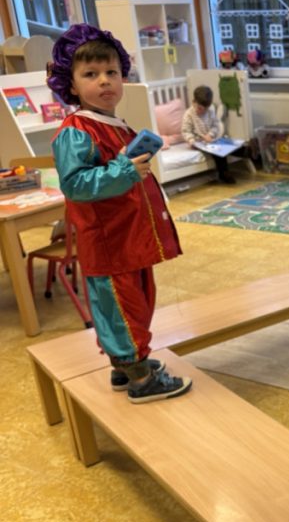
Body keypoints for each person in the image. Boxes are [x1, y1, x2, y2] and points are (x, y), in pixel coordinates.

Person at [47, 23, 192, 403]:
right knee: (121, 307)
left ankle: (125, 366)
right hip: (109, 244)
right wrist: (125, 170)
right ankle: (141, 379)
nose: (104, 81)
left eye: (111, 72)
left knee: (136, 304)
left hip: (129, 239)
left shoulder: (114, 125)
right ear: (71, 83)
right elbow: (75, 184)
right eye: (90, 74)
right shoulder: (76, 131)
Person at [181, 85, 236, 184]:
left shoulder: (210, 111)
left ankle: (247, 152)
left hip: (210, 140)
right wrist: (192, 141)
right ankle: (224, 174)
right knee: (218, 153)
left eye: (205, 109)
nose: (202, 111)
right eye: (199, 108)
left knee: (227, 145)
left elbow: (215, 126)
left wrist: (210, 135)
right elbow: (186, 131)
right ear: (193, 102)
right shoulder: (188, 114)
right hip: (198, 142)